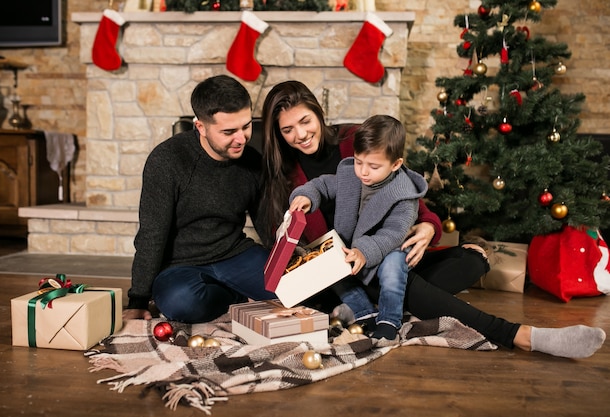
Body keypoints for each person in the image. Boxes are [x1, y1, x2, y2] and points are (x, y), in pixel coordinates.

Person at [259, 80, 606, 359]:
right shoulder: (284, 175)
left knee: (472, 260)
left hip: (384, 252)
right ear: (278, 134)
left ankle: (378, 306)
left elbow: (405, 195)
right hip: (342, 271)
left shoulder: (358, 141)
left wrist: (428, 226)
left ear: (319, 114)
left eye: (305, 121)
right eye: (287, 130)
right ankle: (518, 334)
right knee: (401, 281)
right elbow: (292, 234)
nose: (300, 134)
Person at [123, 74, 275, 323]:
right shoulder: (167, 160)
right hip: (180, 264)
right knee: (181, 303)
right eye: (229, 131)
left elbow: (267, 224)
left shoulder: (252, 162)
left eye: (246, 126)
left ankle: (237, 292)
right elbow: (152, 234)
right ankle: (235, 296)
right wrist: (138, 299)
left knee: (291, 290)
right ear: (201, 127)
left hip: (235, 253)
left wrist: (287, 263)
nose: (242, 139)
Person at [289, 114, 428, 346]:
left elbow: (394, 233)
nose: (363, 172)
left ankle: (389, 320)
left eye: (373, 166)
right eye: (358, 161)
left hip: (386, 249)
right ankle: (363, 312)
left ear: (395, 164)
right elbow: (322, 185)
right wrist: (307, 196)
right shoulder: (350, 175)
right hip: (352, 248)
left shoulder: (404, 194)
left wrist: (364, 251)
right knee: (330, 265)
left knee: (394, 268)